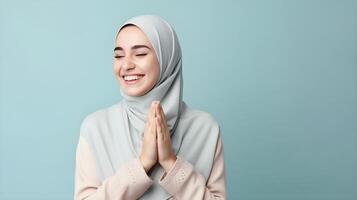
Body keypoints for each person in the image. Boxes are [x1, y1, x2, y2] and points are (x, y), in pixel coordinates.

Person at [74, 15, 227, 200]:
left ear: (166, 58)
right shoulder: (96, 128)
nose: (126, 65)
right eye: (119, 55)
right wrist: (143, 164)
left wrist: (170, 163)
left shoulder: (205, 128)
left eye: (140, 54)